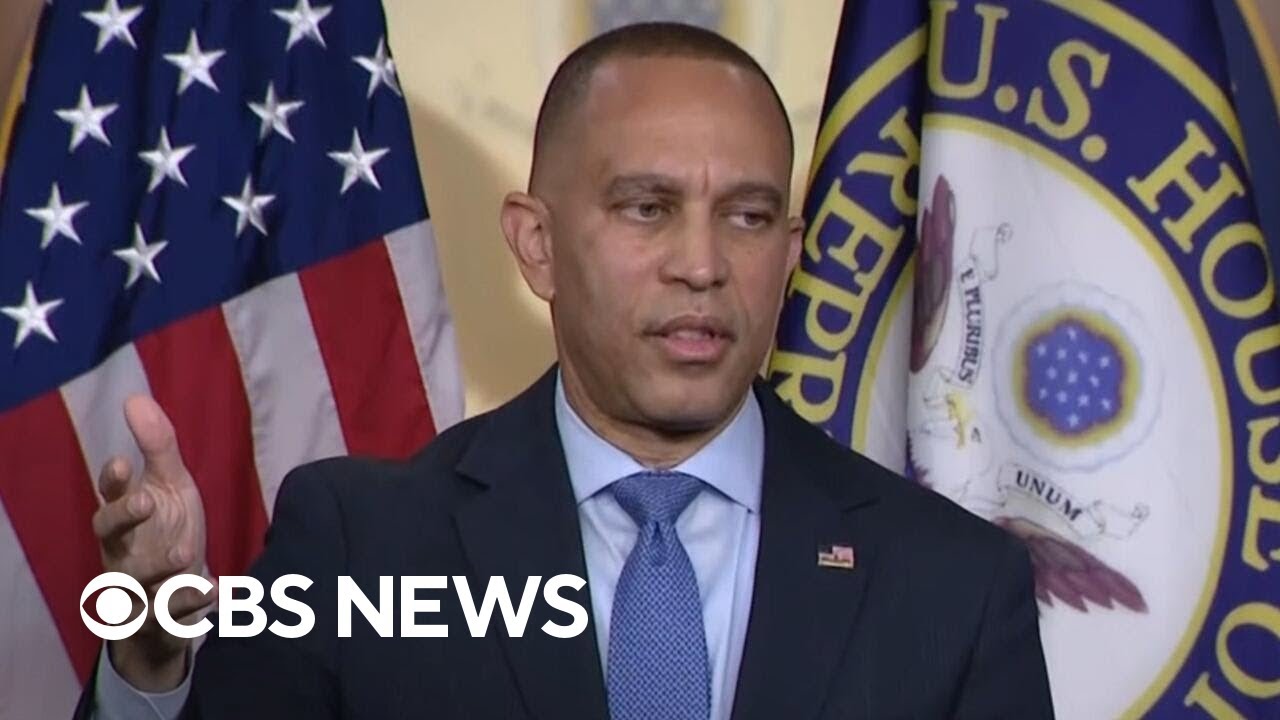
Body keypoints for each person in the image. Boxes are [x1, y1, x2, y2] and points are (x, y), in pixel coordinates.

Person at [79, 22, 1054, 720]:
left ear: (790, 253)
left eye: (748, 217)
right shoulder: (361, 546)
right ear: (536, 245)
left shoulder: (953, 585)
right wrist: (155, 653)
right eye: (647, 208)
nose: (702, 264)